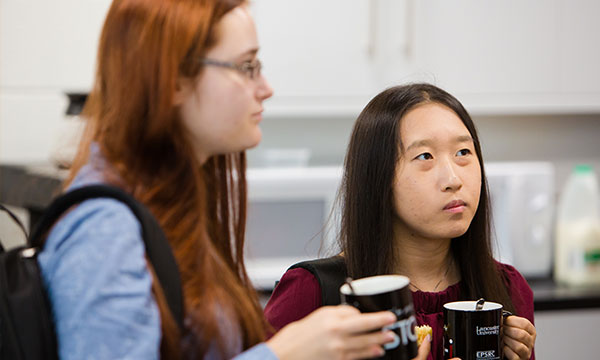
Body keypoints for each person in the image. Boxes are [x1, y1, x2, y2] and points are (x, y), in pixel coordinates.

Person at [36, 0, 415, 359]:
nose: (265, 87)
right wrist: (284, 353)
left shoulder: (173, 205)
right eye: (247, 66)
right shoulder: (106, 229)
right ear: (173, 82)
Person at [264, 83, 537, 360]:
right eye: (424, 156)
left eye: (463, 152)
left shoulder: (507, 287)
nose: (453, 179)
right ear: (378, 179)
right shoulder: (311, 293)